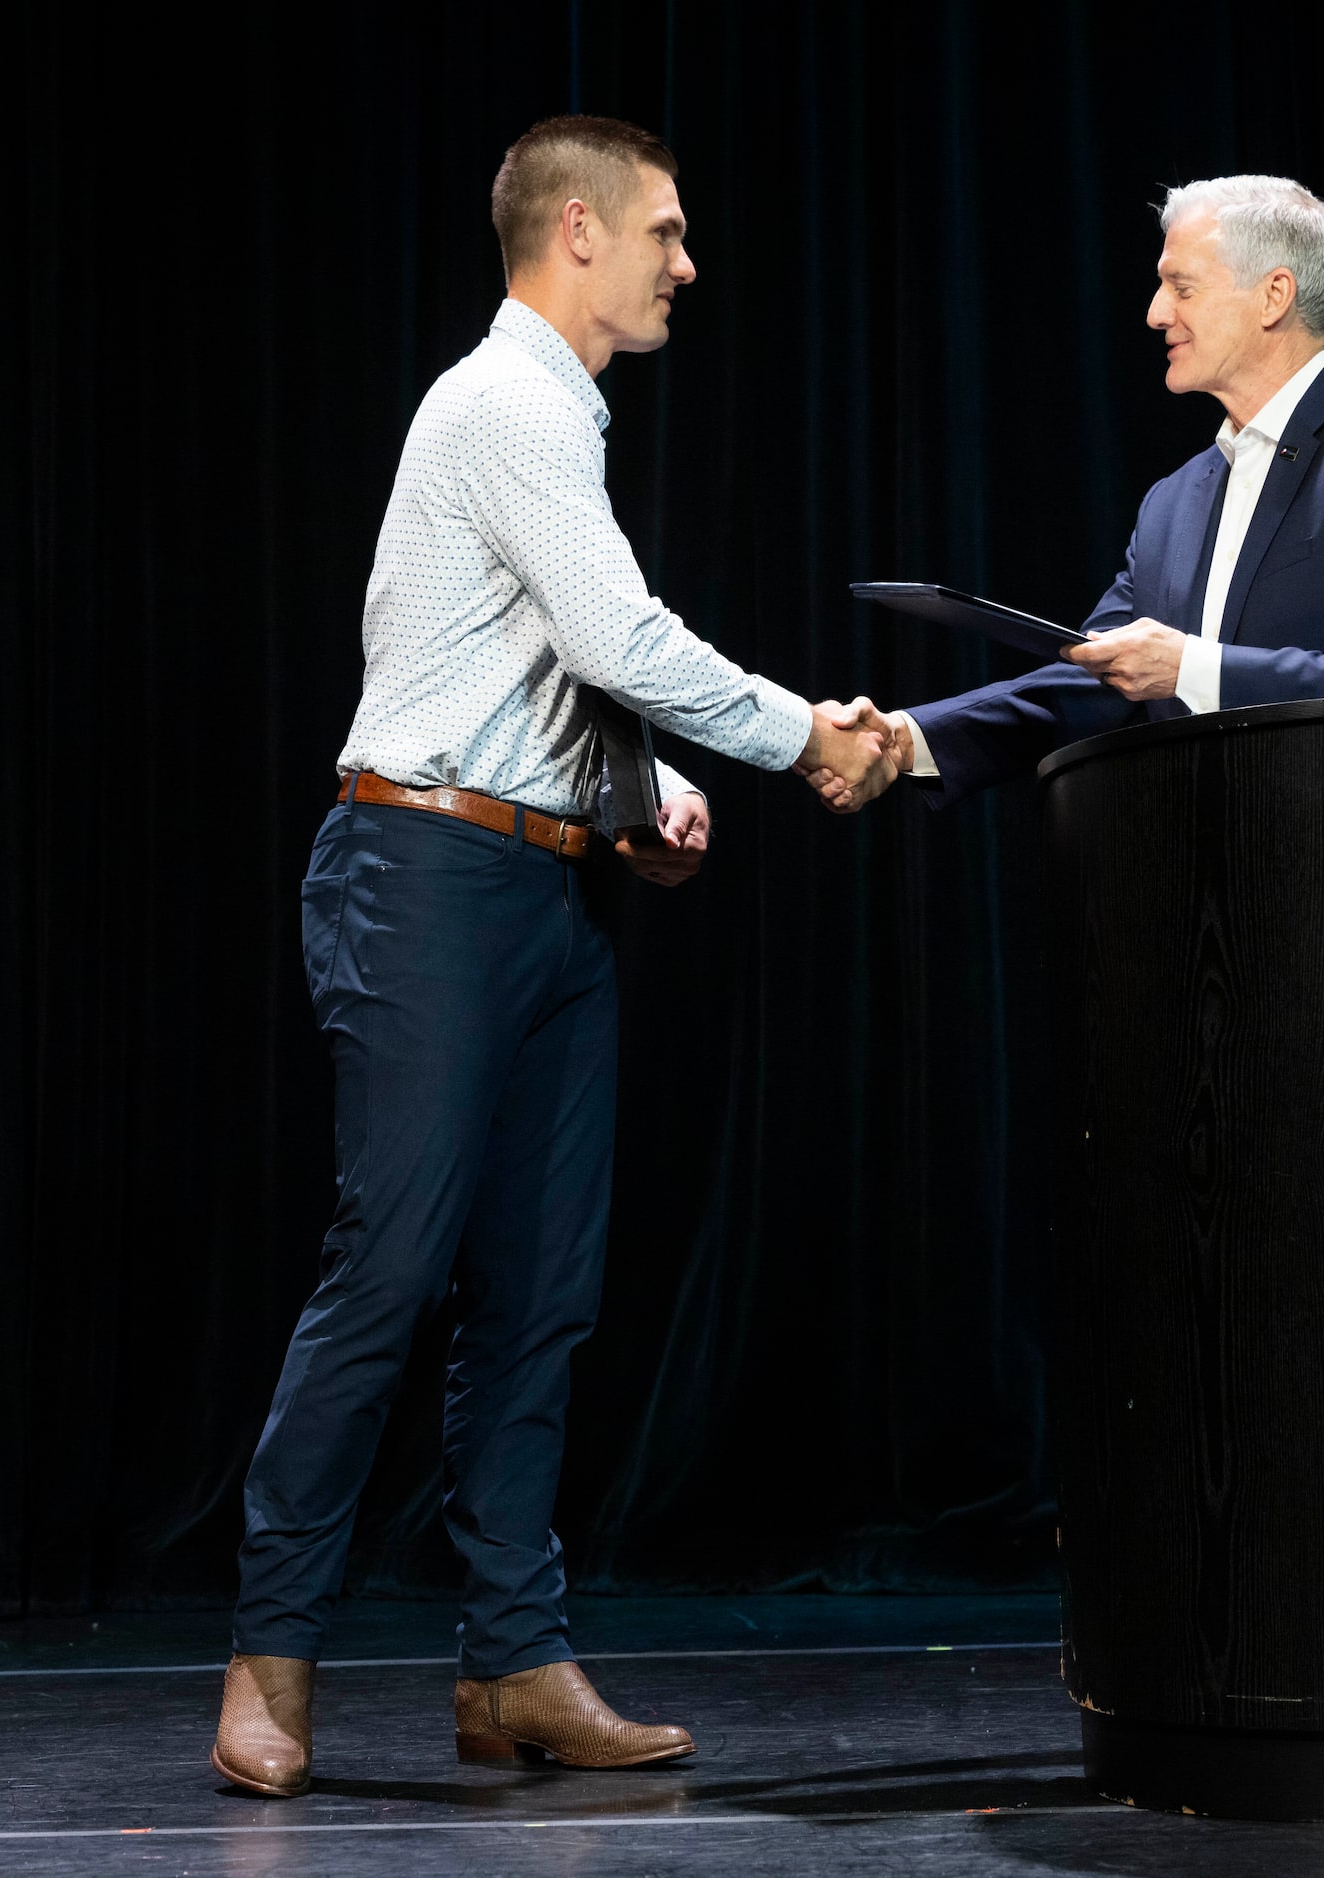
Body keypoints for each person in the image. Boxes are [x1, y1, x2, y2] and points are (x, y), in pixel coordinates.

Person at [211, 115, 893, 1798]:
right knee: (394, 1264)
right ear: (573, 230)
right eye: (664, 230)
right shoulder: (505, 399)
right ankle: (268, 1649)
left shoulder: (555, 419)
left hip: (541, 890)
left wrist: (644, 793)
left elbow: (548, 661)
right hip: (425, 871)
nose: (685, 262)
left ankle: (513, 1664)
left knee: (541, 1295)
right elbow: (615, 633)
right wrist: (805, 732)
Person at [810, 175, 1324, 806]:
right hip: (1196, 890)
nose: (1156, 313)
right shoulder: (1173, 503)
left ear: (1274, 296)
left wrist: (1189, 667)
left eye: (1180, 287)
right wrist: (903, 741)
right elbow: (1091, 680)